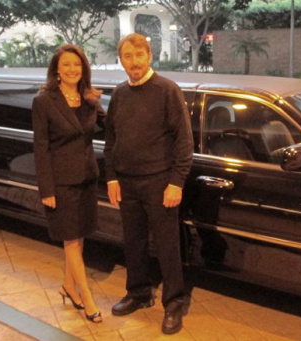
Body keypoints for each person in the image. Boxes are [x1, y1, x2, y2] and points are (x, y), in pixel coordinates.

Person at [103, 33, 194, 335]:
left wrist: (176, 182)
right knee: (134, 242)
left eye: (139, 55)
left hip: (160, 182)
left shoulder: (167, 90)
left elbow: (184, 141)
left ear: (149, 56)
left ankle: (174, 302)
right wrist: (112, 177)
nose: (134, 62)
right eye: (127, 57)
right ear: (122, 61)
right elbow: (111, 139)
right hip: (127, 182)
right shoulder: (119, 94)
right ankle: (139, 292)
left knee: (168, 246)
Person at [32, 44, 104, 323]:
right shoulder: (43, 101)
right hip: (60, 182)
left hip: (86, 177)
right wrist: (46, 189)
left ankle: (67, 285)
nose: (73, 69)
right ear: (57, 70)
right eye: (67, 65)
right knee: (71, 240)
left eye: (77, 64)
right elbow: (41, 147)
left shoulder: (88, 98)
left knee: (80, 237)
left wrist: (97, 102)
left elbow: (110, 125)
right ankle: (86, 297)